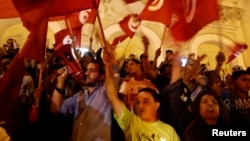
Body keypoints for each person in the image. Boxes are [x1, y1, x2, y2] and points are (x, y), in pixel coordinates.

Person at [103, 49, 180, 141]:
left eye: (145, 101)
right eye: (138, 101)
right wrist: (108, 67)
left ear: (157, 105)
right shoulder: (130, 122)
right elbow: (112, 97)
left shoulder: (169, 131)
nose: (140, 105)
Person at [162, 52, 231, 141]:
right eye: (205, 101)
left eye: (214, 102)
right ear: (197, 108)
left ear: (221, 108)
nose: (210, 104)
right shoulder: (189, 127)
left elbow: (208, 85)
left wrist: (219, 65)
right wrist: (176, 67)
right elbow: (174, 94)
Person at [50, 60, 112, 141]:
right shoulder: (79, 96)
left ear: (101, 76)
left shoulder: (105, 91)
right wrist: (61, 80)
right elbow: (55, 109)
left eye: (92, 70)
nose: (86, 73)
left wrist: (109, 65)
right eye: (86, 70)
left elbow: (113, 79)